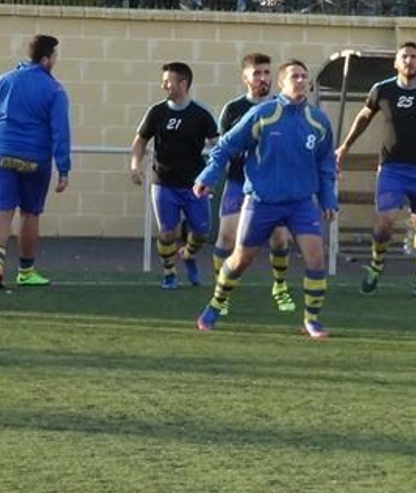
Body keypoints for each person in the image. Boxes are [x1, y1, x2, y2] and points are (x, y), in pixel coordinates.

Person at [193, 59, 338, 339]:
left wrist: (327, 198)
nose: (301, 80)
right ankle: (215, 305)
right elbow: (226, 146)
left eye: (304, 76)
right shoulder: (264, 114)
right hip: (261, 201)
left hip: (300, 203)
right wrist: (208, 175)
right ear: (282, 83)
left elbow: (325, 165)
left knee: (316, 258)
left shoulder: (318, 121)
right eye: (295, 76)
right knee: (241, 259)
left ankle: (311, 321)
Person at [335, 41, 416, 299]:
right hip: (392, 168)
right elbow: (363, 117)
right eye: (404, 57)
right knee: (386, 220)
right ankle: (375, 267)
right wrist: (345, 146)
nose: (409, 61)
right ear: (396, 63)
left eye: (414, 56)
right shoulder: (381, 89)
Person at [0, 34, 72, 290]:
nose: (56, 59)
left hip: (4, 153)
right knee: (30, 213)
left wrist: (0, 142)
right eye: (55, 55)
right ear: (46, 59)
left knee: (2, 211)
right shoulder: (54, 90)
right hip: (35, 158)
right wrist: (63, 167)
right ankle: (26, 271)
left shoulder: (4, 80)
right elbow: (60, 131)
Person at [214, 53, 297, 312]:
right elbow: (223, 146)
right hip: (239, 182)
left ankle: (280, 286)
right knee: (226, 239)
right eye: (257, 73)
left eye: (266, 73)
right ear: (245, 77)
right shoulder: (233, 109)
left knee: (280, 240)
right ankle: (221, 293)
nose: (263, 78)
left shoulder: (282, 107)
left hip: (272, 187)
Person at [130, 62, 220, 289]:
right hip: (163, 183)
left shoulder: (201, 114)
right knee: (167, 232)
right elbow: (140, 140)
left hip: (194, 185)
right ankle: (169, 273)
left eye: (168, 81)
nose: (164, 86)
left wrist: (211, 177)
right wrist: (135, 165)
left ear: (183, 83)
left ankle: (188, 255)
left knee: (201, 232)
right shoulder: (157, 112)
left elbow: (218, 147)